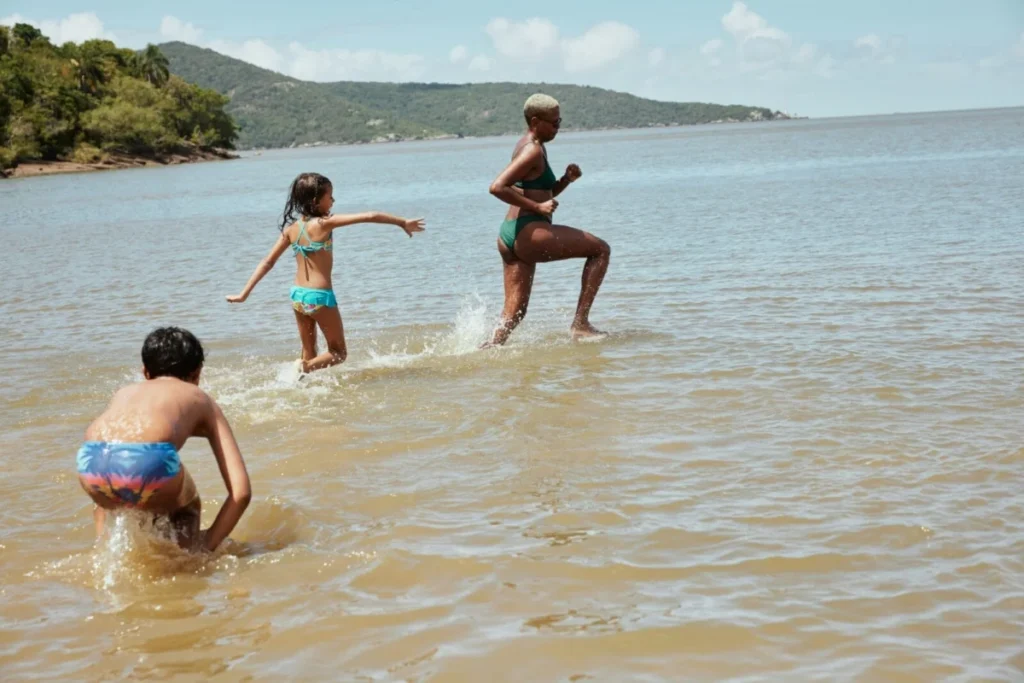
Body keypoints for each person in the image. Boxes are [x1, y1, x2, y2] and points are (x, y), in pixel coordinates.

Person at [226, 172, 425, 372]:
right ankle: (303, 369)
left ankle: (301, 378)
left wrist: (244, 293)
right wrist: (402, 222)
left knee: (309, 352)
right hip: (320, 297)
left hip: (298, 296)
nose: (333, 201)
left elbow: (268, 262)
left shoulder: (291, 229)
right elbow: (370, 216)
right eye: (330, 196)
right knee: (338, 353)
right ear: (315, 201)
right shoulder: (324, 224)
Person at [76, 327, 251, 552]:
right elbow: (241, 492)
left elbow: (129, 440)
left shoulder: (125, 392)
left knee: (110, 497)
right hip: (149, 460)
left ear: (145, 372)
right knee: (187, 507)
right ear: (197, 373)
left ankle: (104, 549)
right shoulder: (200, 398)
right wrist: (208, 544)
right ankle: (190, 558)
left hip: (91, 460)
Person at [485, 93, 611, 346]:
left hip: (510, 234)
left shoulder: (528, 145)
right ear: (535, 121)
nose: (558, 127)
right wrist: (537, 207)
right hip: (528, 232)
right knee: (600, 250)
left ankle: (488, 350)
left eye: (559, 121)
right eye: (554, 123)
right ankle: (581, 324)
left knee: (514, 314)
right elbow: (497, 187)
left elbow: (542, 192)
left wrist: (566, 180)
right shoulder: (532, 150)